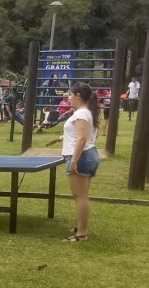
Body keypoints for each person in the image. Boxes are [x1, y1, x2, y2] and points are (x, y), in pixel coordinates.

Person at [60, 82, 100, 242]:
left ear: (78, 96)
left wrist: (74, 162)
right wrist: (63, 137)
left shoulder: (81, 114)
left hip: (81, 157)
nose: (68, 97)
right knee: (81, 196)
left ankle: (82, 234)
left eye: (70, 94)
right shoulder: (84, 113)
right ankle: (80, 227)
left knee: (80, 196)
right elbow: (81, 135)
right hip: (86, 155)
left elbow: (82, 138)